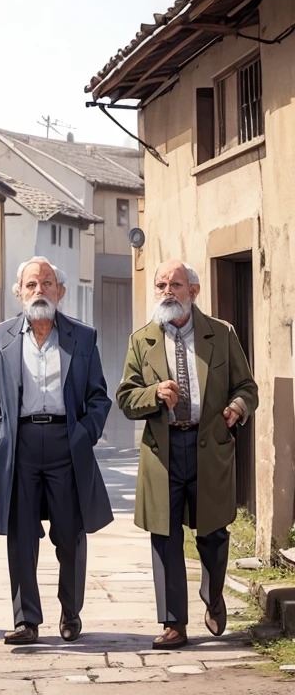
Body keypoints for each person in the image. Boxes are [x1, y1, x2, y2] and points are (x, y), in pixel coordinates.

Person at [0, 257, 113, 645]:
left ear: (60, 292)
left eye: (47, 283)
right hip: (20, 445)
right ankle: (26, 620)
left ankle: (71, 611)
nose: (39, 291)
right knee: (20, 535)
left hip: (67, 444)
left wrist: (84, 434)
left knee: (70, 535)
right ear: (18, 291)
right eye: (31, 284)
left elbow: (99, 397)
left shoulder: (82, 337)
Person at [117, 259, 257, 650]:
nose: (166, 290)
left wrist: (237, 408)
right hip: (163, 453)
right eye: (160, 284)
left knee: (212, 533)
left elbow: (247, 386)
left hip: (209, 447)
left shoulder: (221, 334)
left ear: (193, 291)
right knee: (164, 537)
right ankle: (174, 622)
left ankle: (212, 596)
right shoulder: (141, 339)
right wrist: (153, 396)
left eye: (174, 284)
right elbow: (126, 398)